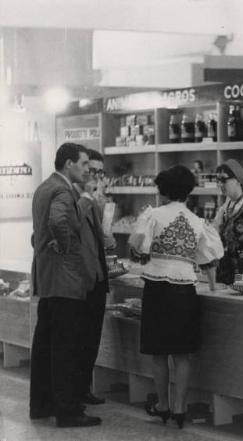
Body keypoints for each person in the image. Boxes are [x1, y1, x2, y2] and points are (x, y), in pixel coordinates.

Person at [128, 165, 223, 429]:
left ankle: (163, 405)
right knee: (182, 354)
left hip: (157, 287)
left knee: (159, 352)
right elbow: (209, 258)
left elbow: (138, 247)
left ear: (163, 189)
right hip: (185, 289)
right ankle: (181, 408)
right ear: (188, 190)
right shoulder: (197, 221)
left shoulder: (153, 215)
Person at [29, 143, 102, 428]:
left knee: (46, 345)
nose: (87, 169)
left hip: (49, 278)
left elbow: (39, 233)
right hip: (65, 280)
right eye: (84, 164)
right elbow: (60, 221)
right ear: (69, 164)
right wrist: (65, 242)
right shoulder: (62, 190)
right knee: (66, 347)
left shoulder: (44, 187)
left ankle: (42, 404)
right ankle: (68, 410)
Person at [73, 148, 115, 406]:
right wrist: (89, 198)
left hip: (98, 276)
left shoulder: (95, 198)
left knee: (92, 338)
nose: (96, 176)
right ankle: (75, 391)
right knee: (79, 338)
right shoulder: (73, 197)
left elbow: (98, 233)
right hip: (81, 279)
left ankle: (84, 387)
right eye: (92, 170)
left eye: (100, 171)